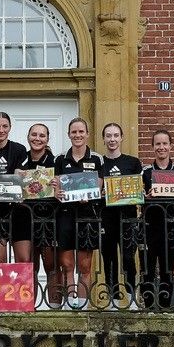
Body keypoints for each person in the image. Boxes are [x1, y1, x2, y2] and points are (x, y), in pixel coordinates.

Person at [53, 117, 106, 308]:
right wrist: (56, 192)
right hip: (65, 215)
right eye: (74, 132)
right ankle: (70, 306)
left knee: (85, 267)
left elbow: (98, 187)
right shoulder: (60, 159)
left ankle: (82, 307)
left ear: (87, 134)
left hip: (87, 216)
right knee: (67, 265)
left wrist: (88, 194)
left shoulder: (97, 158)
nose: (77, 135)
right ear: (68, 134)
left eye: (81, 131)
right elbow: (55, 186)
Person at [142, 130, 174, 311]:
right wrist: (145, 197)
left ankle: (165, 308)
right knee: (147, 269)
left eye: (164, 144)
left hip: (171, 227)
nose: (161, 147)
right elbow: (138, 196)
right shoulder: (145, 171)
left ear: (171, 146)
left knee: (167, 270)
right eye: (157, 144)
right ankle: (148, 308)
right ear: (152, 147)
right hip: (149, 226)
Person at [97, 122, 143, 308]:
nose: (112, 139)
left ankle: (132, 299)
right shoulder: (99, 162)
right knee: (109, 259)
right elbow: (95, 189)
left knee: (128, 258)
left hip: (128, 217)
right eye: (108, 135)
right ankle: (113, 299)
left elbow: (139, 189)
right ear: (103, 139)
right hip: (106, 217)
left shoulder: (133, 162)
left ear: (122, 138)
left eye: (116, 135)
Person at [17, 122, 59, 299]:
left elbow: (63, 189)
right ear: (28, 137)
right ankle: (28, 306)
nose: (37, 138)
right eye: (34, 135)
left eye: (42, 135)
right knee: (28, 265)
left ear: (47, 139)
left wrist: (58, 185)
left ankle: (55, 308)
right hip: (24, 217)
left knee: (51, 265)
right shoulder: (20, 159)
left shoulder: (55, 161)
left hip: (48, 218)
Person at [0, 111, 27, 262]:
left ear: (10, 127)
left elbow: (20, 178)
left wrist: (11, 182)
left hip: (17, 210)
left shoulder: (19, 150)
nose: (1, 130)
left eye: (5, 126)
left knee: (23, 260)